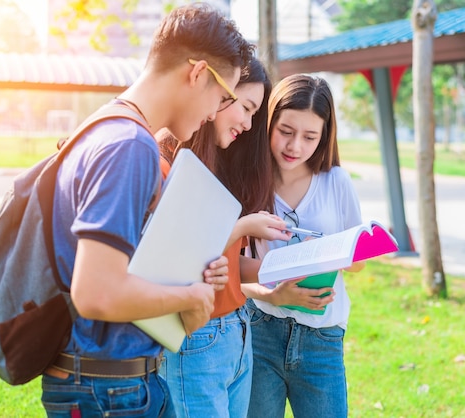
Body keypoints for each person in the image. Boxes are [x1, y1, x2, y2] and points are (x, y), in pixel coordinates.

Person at [40, 4, 254, 417]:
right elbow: (96, 293)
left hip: (110, 382)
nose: (216, 112)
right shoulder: (130, 146)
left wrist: (187, 277)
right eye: (224, 95)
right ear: (196, 74)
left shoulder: (110, 126)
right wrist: (190, 295)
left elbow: (122, 268)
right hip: (109, 389)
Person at [156, 56, 291, 418]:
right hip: (195, 335)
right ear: (219, 92)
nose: (248, 124)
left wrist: (282, 268)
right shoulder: (166, 155)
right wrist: (244, 226)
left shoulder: (221, 161)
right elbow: (172, 258)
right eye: (245, 108)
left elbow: (226, 263)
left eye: (254, 115)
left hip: (237, 328)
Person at [241, 74, 366, 418]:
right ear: (268, 122)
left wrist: (333, 250)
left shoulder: (336, 182)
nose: (295, 146)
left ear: (324, 137)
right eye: (286, 131)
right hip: (261, 329)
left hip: (321, 338)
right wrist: (272, 296)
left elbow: (357, 263)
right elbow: (233, 265)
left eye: (310, 137)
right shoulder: (250, 182)